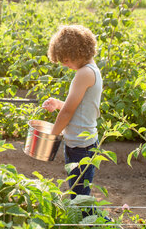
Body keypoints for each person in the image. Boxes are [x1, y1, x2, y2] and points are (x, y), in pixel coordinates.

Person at [42, 24, 102, 199]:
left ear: (78, 53)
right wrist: (57, 103)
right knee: (79, 195)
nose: (64, 65)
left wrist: (51, 136)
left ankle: (103, 225)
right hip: (81, 144)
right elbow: (78, 108)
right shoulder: (91, 70)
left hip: (81, 147)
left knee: (80, 200)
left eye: (66, 60)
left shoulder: (84, 74)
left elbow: (68, 113)